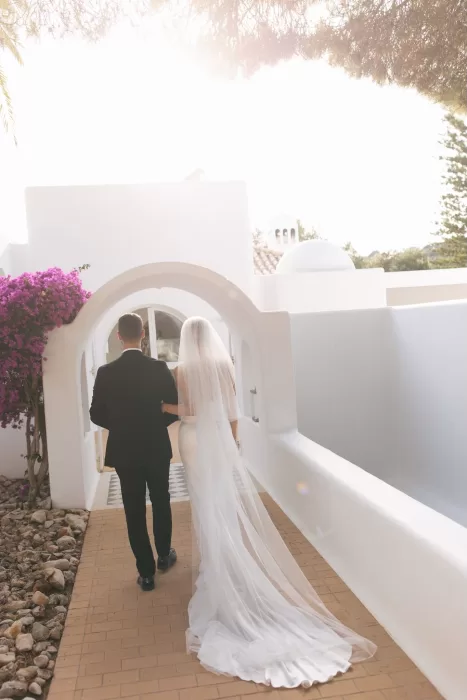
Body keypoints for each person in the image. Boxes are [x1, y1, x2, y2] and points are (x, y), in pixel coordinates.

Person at [162, 317, 376, 689]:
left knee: (203, 501)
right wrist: (232, 444)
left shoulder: (182, 369)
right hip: (219, 437)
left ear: (185, 339)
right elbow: (232, 411)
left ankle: (217, 562)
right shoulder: (225, 364)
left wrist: (164, 406)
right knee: (222, 498)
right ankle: (225, 556)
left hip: (194, 437)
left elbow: (187, 409)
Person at [90, 313, 178, 592]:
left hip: (125, 450)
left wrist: (120, 426)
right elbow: (173, 406)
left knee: (133, 508)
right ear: (143, 334)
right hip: (156, 445)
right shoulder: (158, 367)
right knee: (161, 500)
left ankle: (146, 573)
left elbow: (95, 414)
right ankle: (164, 556)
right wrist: (154, 423)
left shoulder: (106, 373)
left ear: (119, 336)